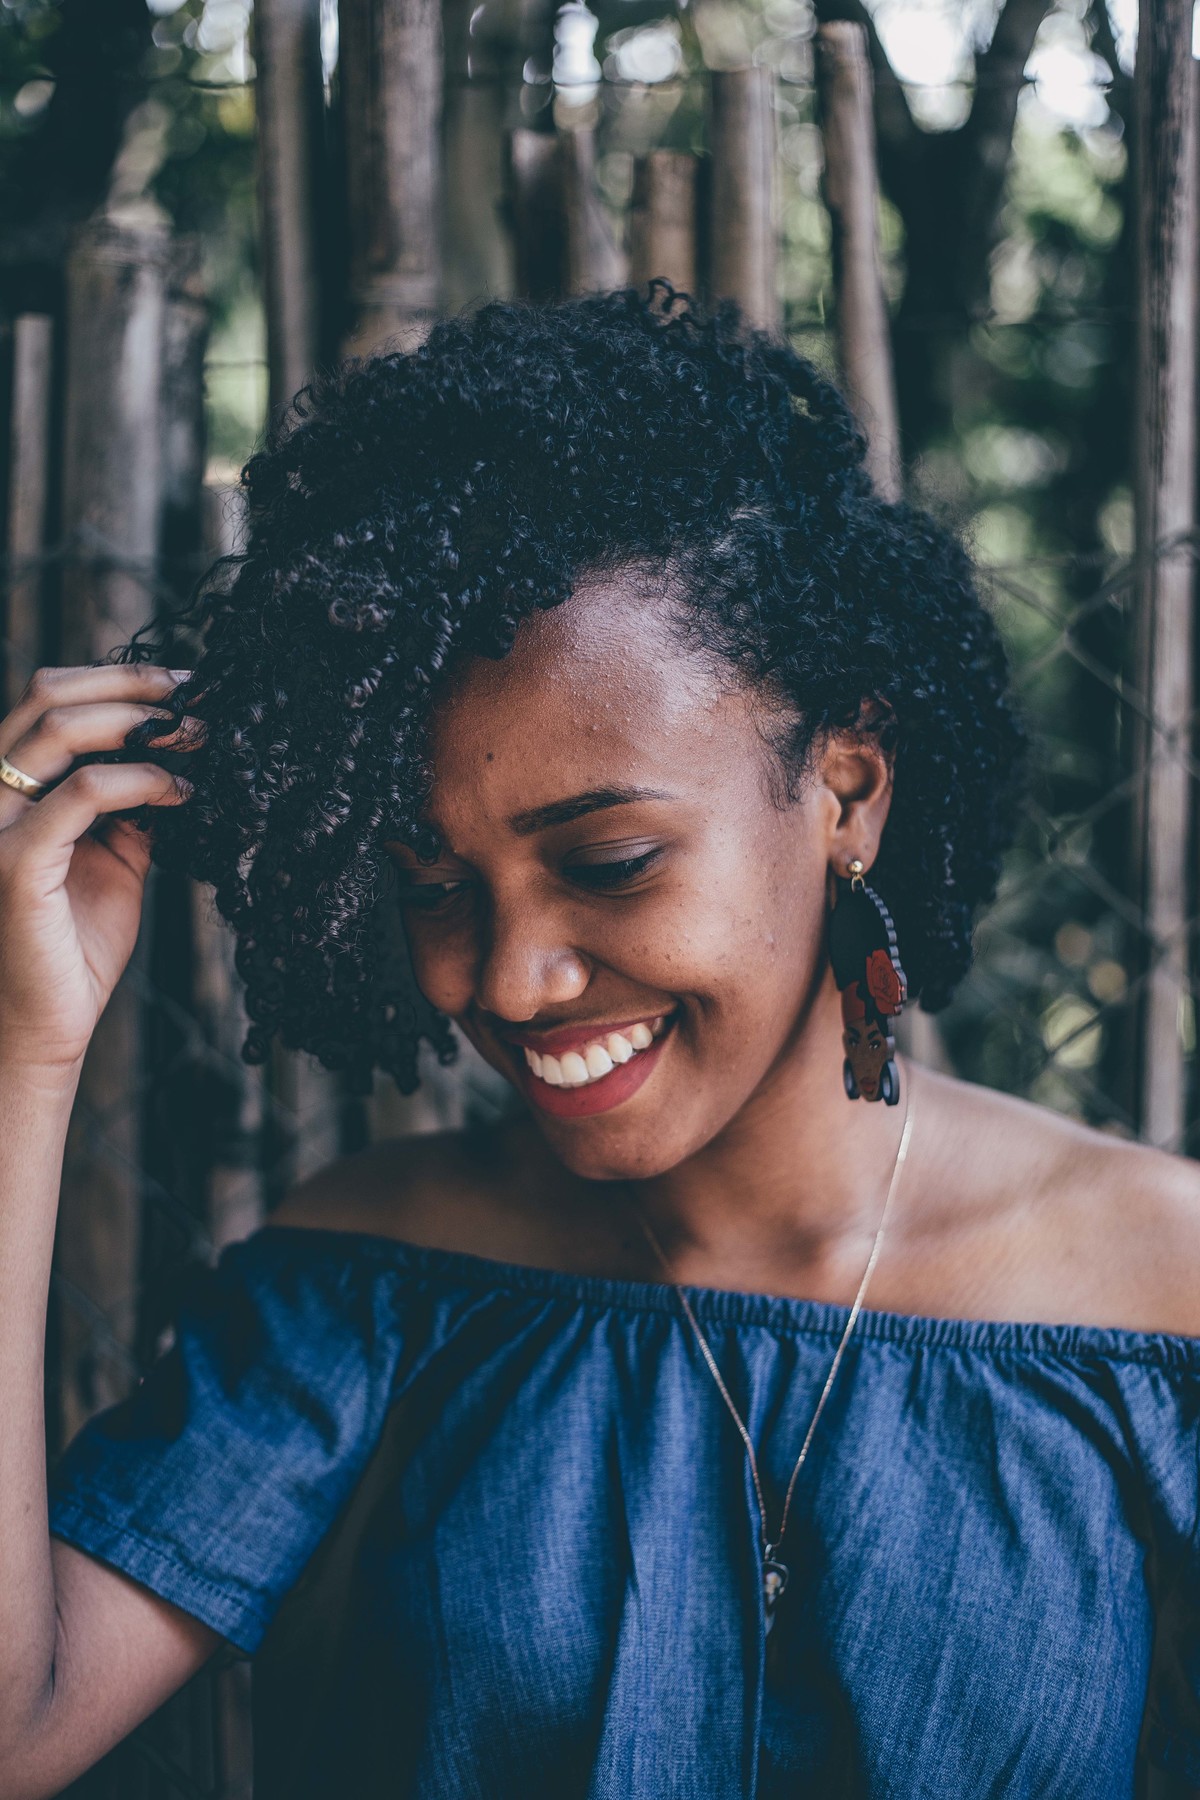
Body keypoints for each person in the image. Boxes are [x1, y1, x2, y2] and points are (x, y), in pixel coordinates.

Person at [1, 286, 1198, 1800]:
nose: (506, 979)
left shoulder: (1167, 1308)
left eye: (611, 860)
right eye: (433, 884)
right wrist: (20, 1050)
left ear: (846, 791)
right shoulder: (371, 1288)